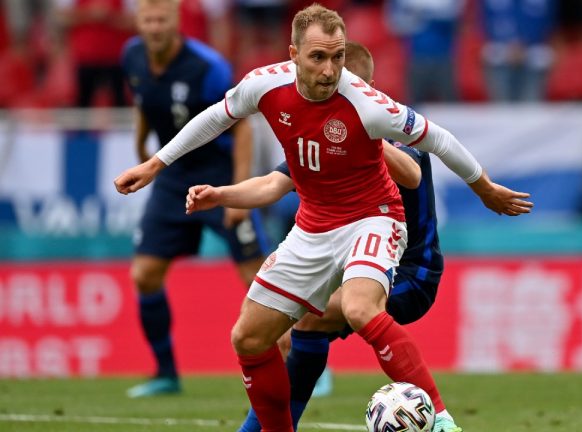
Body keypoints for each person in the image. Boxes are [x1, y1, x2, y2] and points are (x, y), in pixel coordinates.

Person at [114, 4, 532, 431]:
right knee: (249, 336)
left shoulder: (367, 105)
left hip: (375, 218)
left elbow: (434, 142)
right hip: (314, 227)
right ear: (293, 54)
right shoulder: (264, 85)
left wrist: (484, 188)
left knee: (357, 308)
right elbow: (218, 118)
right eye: (318, 57)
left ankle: (442, 421)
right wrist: (158, 166)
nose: (330, 70)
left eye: (336, 57)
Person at [184, 40, 488, 432]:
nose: (339, 94)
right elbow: (273, 184)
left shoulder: (393, 133)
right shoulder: (320, 138)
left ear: (371, 88)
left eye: (350, 85)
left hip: (413, 272)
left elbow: (410, 174)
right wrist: (223, 194)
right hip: (351, 261)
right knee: (289, 326)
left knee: (313, 318)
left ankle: (443, 420)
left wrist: (363, 132)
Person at [121, 0, 270, 398]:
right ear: (139, 21)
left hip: (219, 179)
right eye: (147, 20)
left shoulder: (208, 67)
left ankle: (305, 361)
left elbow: (242, 130)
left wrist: (239, 194)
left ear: (175, 22)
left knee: (260, 282)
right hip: (172, 181)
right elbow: (143, 103)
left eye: (161, 20)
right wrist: (141, 149)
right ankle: (166, 374)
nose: (154, 27)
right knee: (144, 275)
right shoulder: (132, 56)